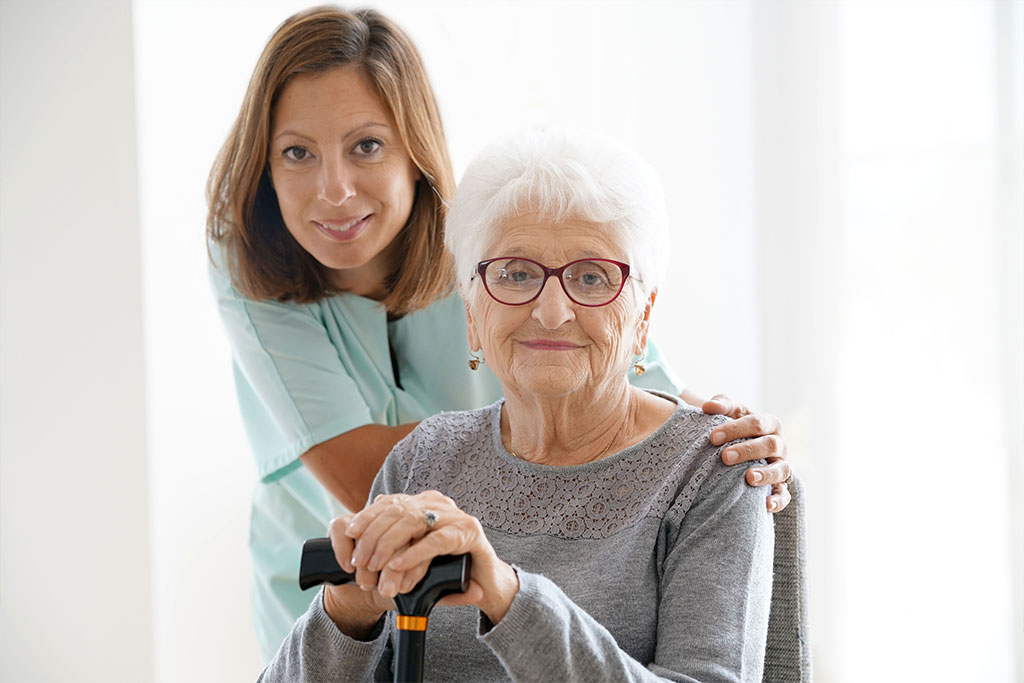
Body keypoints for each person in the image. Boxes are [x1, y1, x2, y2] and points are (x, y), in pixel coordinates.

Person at [206, 6, 791, 662]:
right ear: (472, 309)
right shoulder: (417, 457)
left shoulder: (495, 232)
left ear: (414, 149)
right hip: (341, 572)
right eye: (297, 151)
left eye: (366, 145)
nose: (335, 189)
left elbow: (625, 379)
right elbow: (375, 489)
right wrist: (352, 602)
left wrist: (726, 441)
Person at [260, 127, 775, 682]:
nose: (551, 312)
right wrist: (345, 613)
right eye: (516, 274)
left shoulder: (715, 471)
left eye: (591, 277)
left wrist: (508, 597)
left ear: (643, 316)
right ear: (472, 313)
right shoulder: (424, 459)